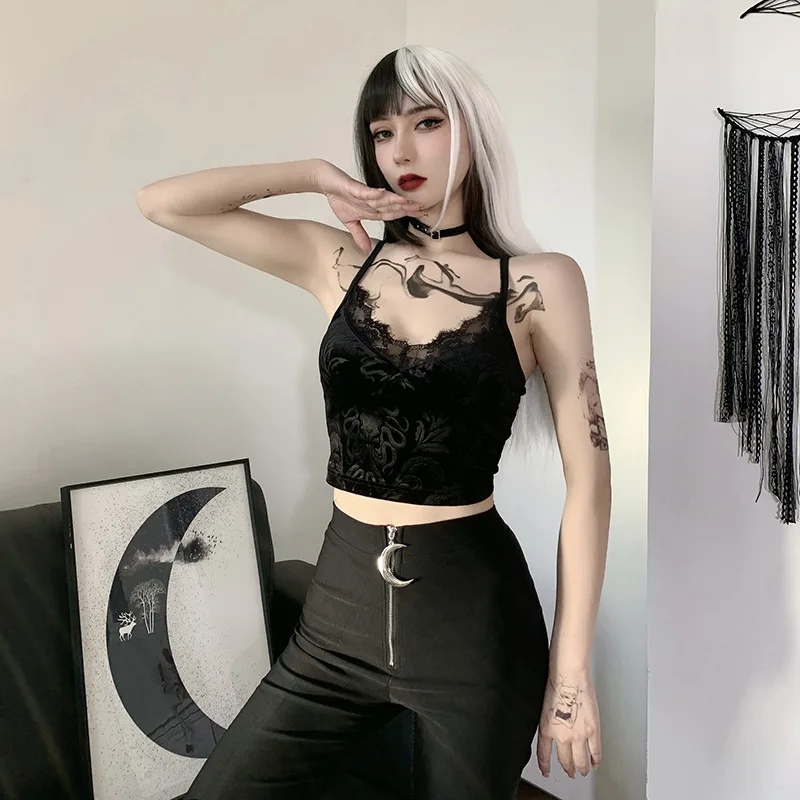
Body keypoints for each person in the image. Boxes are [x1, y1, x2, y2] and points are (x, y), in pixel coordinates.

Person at [136, 44, 611, 800]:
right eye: (382, 132)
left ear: (472, 129)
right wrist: (314, 176)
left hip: (472, 622)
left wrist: (572, 672)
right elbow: (163, 203)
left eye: (426, 123)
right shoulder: (337, 262)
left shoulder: (537, 283)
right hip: (338, 615)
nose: (401, 151)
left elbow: (589, 484)